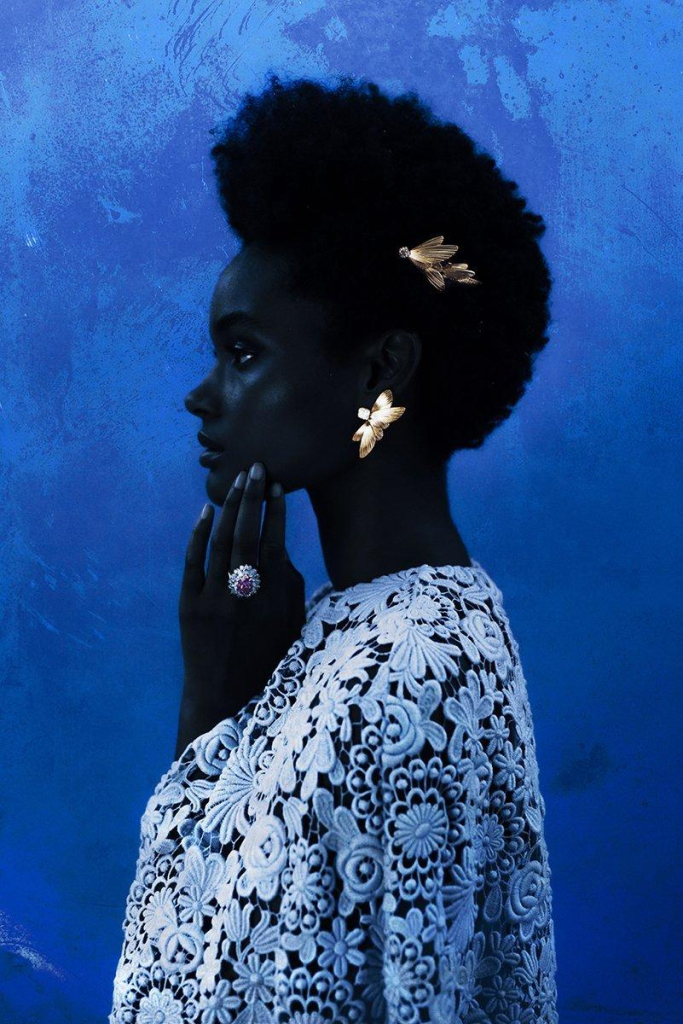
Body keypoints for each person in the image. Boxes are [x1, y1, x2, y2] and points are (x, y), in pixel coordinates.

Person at [109, 72, 558, 1023]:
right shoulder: (334, 634)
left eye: (243, 353)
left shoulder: (422, 666)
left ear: (381, 376)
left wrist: (210, 694)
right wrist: (221, 690)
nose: (202, 397)